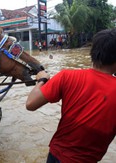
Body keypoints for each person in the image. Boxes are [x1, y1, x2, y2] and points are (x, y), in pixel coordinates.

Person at [26, 28, 116, 162]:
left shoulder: (66, 76)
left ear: (92, 53)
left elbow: (30, 104)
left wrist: (42, 80)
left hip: (56, 157)